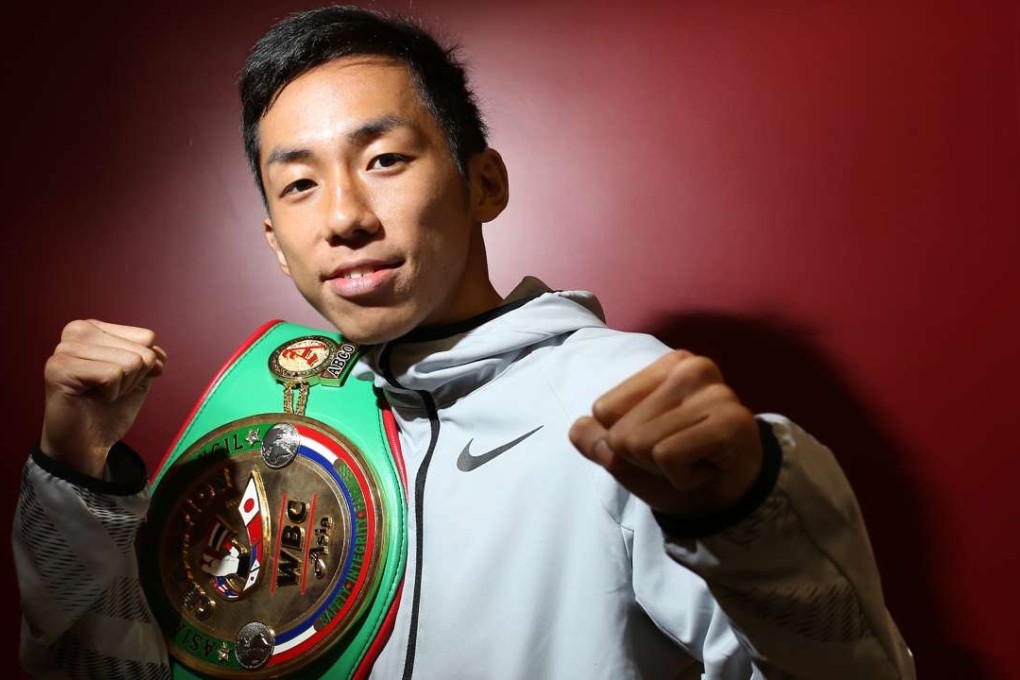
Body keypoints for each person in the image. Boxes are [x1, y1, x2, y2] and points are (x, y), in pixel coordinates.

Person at [14, 5, 914, 679]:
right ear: (272, 239)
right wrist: (74, 469)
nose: (343, 219)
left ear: (484, 182)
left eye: (385, 161)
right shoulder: (274, 414)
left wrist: (751, 510)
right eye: (297, 185)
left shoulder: (620, 402)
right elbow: (102, 667)